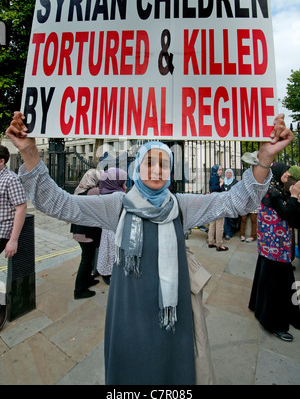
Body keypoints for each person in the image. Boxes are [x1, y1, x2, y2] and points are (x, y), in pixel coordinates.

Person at [6, 111, 294, 384]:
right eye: (149, 163)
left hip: (172, 314)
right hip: (127, 315)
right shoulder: (116, 205)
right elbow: (59, 203)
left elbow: (235, 201)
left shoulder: (182, 205)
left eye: (164, 164)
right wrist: (30, 152)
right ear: (137, 167)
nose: (156, 170)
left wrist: (265, 157)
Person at [249, 162, 300, 342]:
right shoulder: (272, 191)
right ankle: (274, 323)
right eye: (285, 171)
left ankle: (287, 313)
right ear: (277, 173)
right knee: (276, 286)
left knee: (276, 281)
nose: (287, 174)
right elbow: (286, 212)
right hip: (275, 247)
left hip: (272, 246)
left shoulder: (276, 188)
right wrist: (294, 196)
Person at [0, 144, 27, 330]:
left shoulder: (10, 179)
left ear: (1, 161)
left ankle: (1, 308)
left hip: (2, 232)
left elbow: (21, 207)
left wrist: (13, 239)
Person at [70, 169, 102, 299]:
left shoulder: (79, 191)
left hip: (78, 230)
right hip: (87, 232)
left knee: (86, 258)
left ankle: (88, 280)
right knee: (86, 260)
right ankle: (79, 290)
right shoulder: (93, 191)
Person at [96, 168, 127, 285]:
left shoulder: (103, 193)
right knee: (115, 255)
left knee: (107, 253)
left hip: (106, 230)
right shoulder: (119, 196)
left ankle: (106, 273)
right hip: (117, 231)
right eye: (123, 182)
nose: (125, 184)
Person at [207, 164, 228, 251]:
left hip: (213, 201)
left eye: (221, 170)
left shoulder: (213, 177)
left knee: (213, 222)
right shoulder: (215, 178)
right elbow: (214, 189)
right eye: (219, 170)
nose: (221, 171)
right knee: (219, 223)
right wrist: (221, 183)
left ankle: (211, 241)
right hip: (218, 201)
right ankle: (219, 244)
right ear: (215, 170)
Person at [223, 168, 239, 240]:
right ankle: (226, 232)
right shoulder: (223, 181)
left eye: (230, 173)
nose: (228, 174)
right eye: (227, 173)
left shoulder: (235, 182)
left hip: (232, 202)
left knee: (231, 218)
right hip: (224, 202)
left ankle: (230, 233)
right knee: (225, 218)